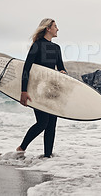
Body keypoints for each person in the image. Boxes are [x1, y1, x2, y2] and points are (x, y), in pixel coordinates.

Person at [16, 18, 67, 158]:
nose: (58, 29)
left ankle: (47, 156)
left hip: (51, 90)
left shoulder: (56, 48)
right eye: (55, 26)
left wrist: (63, 72)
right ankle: (21, 148)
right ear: (48, 29)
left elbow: (61, 67)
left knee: (52, 125)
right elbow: (26, 69)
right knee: (43, 122)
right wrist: (24, 91)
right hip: (37, 90)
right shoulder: (37, 45)